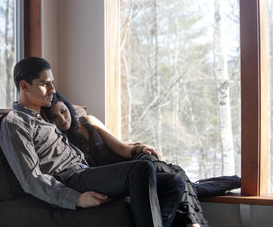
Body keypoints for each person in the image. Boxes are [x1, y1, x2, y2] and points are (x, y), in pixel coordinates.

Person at [0, 57, 185, 227]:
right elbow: (31, 179)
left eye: (52, 83)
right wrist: (76, 199)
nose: (53, 90)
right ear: (24, 86)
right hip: (70, 179)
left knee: (173, 182)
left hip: (85, 173)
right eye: (44, 84)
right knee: (141, 169)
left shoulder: (45, 115)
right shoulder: (15, 124)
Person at [42, 91, 209, 227]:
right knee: (175, 176)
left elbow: (120, 147)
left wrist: (138, 148)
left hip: (123, 164)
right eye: (55, 117)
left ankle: (193, 223)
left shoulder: (88, 121)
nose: (62, 119)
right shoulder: (58, 140)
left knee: (171, 174)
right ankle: (194, 223)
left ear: (68, 107)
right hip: (108, 178)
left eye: (63, 111)